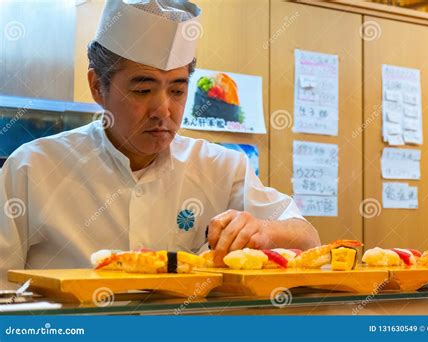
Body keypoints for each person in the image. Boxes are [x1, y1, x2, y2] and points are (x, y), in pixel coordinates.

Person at [0, 0, 320, 288]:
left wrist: (264, 229)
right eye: (142, 90)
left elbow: (308, 239)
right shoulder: (33, 167)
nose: (163, 110)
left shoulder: (222, 167)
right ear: (97, 86)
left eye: (177, 91)